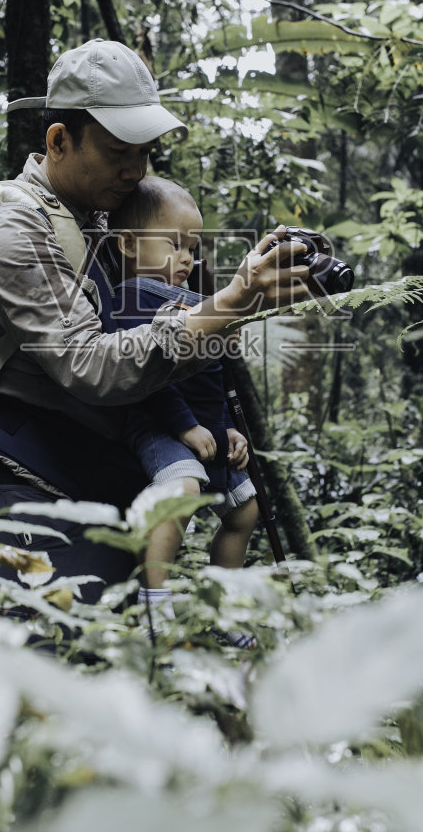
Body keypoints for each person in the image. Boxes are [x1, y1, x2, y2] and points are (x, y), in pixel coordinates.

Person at [0, 39, 308, 603]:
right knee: (47, 671)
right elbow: (92, 365)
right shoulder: (12, 231)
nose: (135, 169)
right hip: (33, 492)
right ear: (58, 140)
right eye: (120, 150)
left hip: (107, 489)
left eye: (144, 152)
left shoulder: (104, 219)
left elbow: (153, 339)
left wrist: (239, 310)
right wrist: (232, 299)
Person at [109, 178, 260, 629]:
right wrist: (185, 427)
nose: (186, 259)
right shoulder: (132, 298)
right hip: (159, 425)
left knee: (246, 508)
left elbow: (209, 380)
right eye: (173, 245)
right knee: (184, 489)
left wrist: (225, 428)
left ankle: (220, 608)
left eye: (191, 248)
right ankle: (156, 604)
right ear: (129, 246)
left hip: (204, 429)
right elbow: (147, 376)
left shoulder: (193, 302)